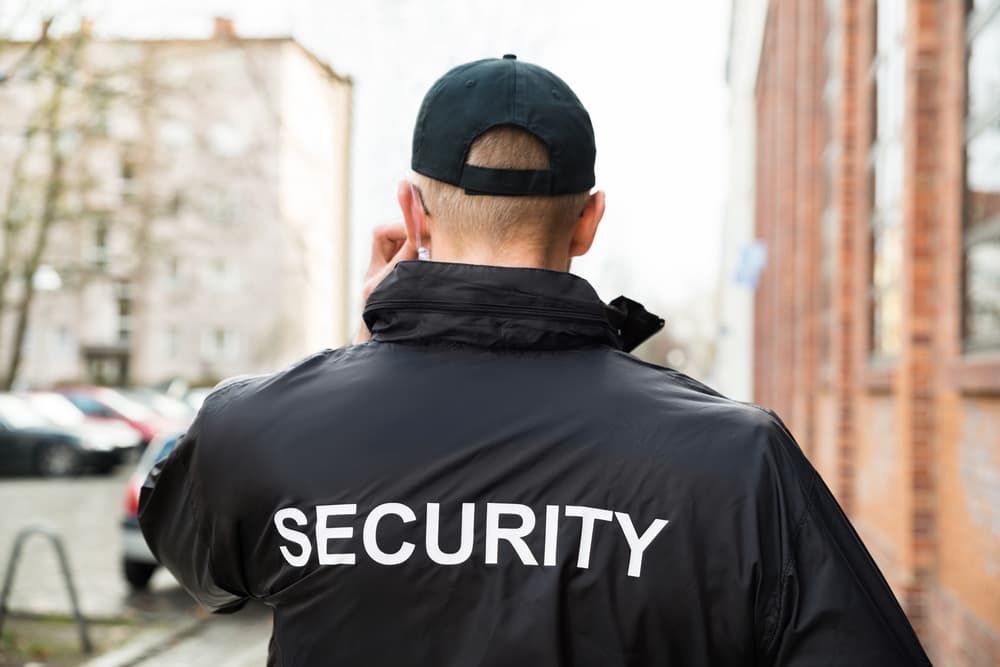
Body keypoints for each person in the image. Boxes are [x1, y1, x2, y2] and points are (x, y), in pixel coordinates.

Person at [138, 55, 931, 666]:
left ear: (413, 210)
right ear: (589, 220)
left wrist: (373, 347)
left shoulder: (261, 426)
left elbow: (195, 562)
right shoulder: (738, 457)